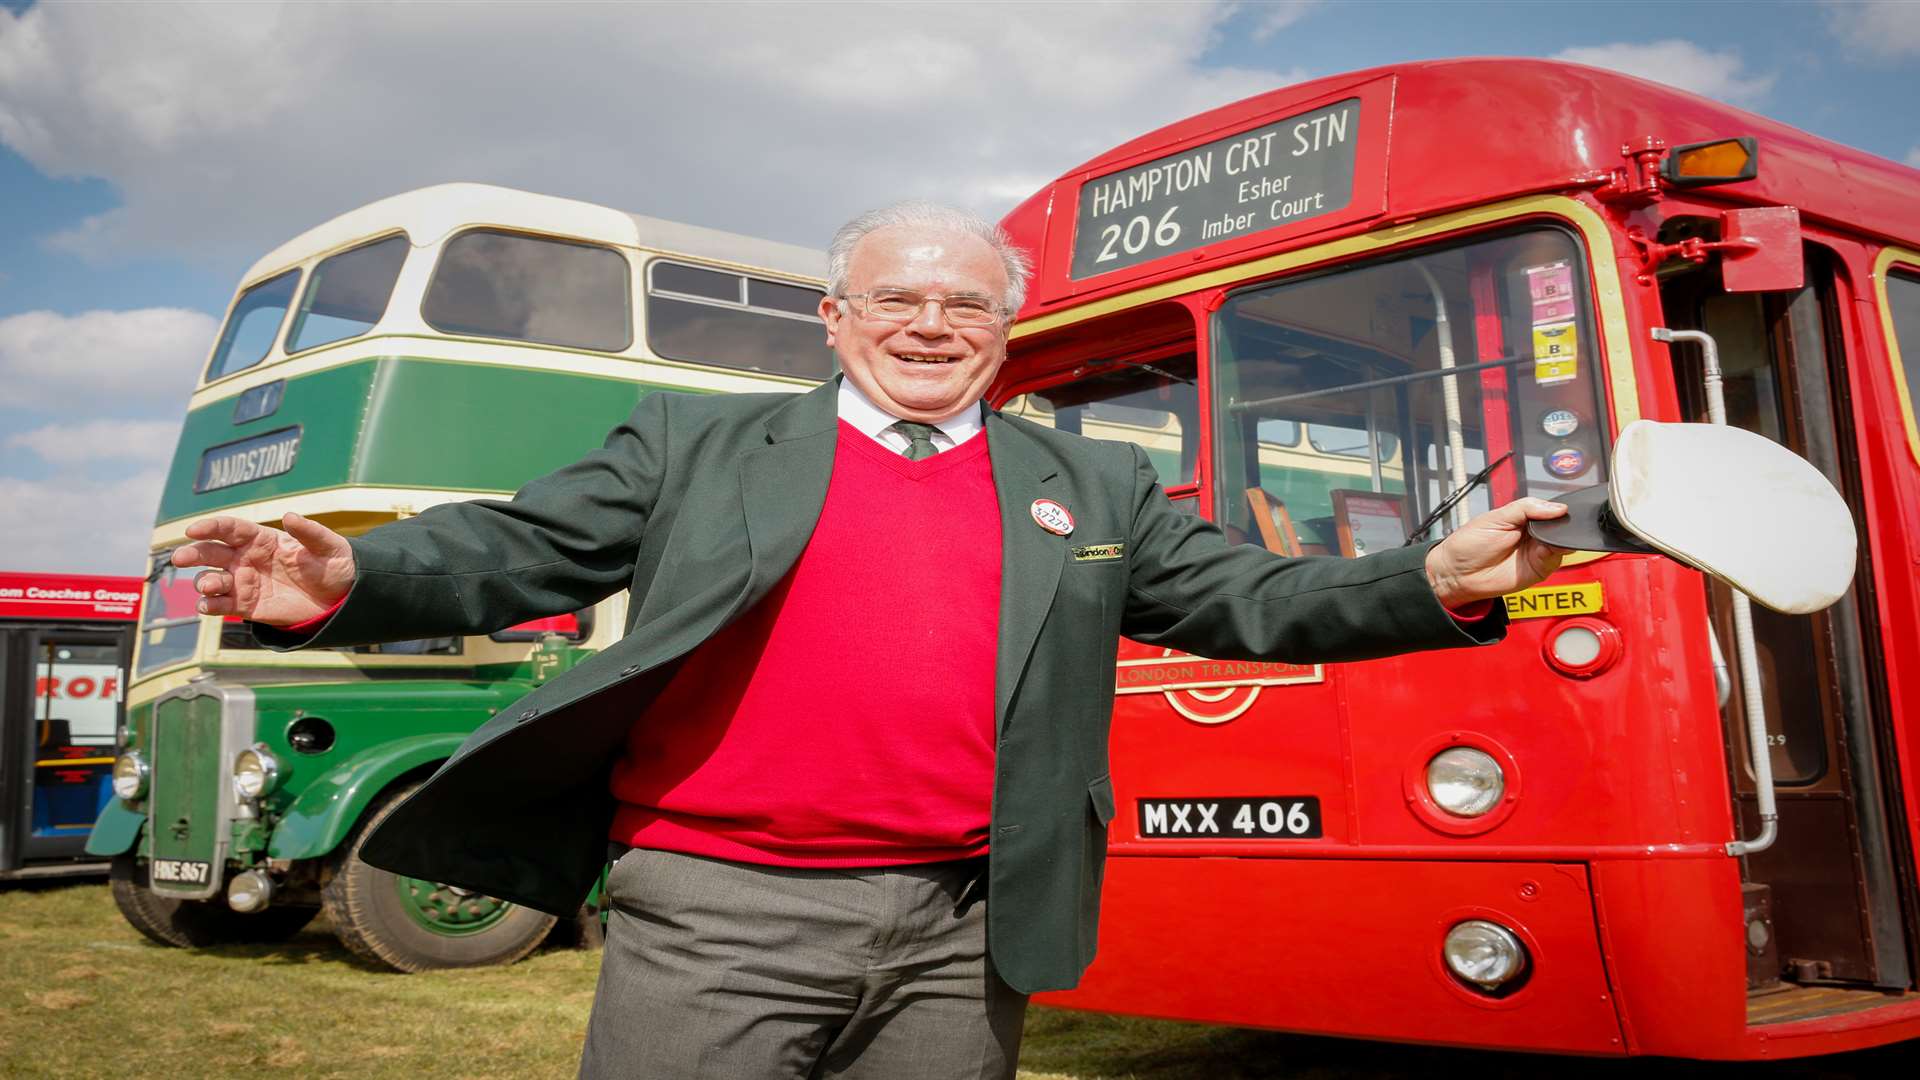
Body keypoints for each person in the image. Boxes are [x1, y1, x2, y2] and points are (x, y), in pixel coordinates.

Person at [175, 202, 1568, 1079]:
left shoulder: (1091, 484)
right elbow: (522, 546)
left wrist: (1430, 579)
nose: (930, 323)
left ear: (1006, 334)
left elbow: (1249, 601)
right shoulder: (698, 444)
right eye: (896, 297)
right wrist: (355, 572)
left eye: (966, 303)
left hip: (964, 924)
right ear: (835, 319)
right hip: (722, 912)